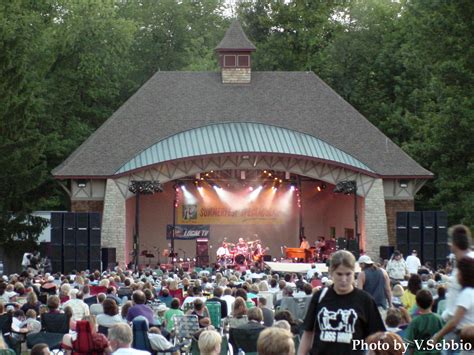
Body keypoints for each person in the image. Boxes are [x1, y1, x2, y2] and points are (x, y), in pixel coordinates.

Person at [298, 250, 385, 355]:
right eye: (339, 274)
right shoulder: (320, 296)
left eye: (348, 274)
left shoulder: (365, 300)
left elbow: (377, 338)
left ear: (354, 272)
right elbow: (308, 333)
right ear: (331, 272)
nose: (344, 279)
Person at [432, 257, 474, 347]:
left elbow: (455, 321)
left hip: (463, 336)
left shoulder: (466, 294)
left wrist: (437, 336)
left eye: (458, 272)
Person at [357, 255, 392, 319]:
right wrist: (390, 304)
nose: (359, 266)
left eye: (360, 264)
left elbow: (360, 293)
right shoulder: (383, 272)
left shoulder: (362, 274)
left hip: (368, 308)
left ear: (363, 264)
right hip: (382, 306)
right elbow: (388, 289)